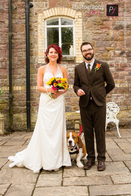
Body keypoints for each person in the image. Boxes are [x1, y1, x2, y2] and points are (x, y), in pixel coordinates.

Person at [8, 45, 71, 173]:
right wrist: (50, 90)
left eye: (56, 53)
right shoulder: (42, 69)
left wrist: (59, 92)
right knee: (46, 128)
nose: (53, 54)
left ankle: (59, 159)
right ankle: (44, 160)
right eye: (51, 52)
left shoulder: (63, 69)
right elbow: (39, 87)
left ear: (59, 55)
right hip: (46, 101)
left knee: (58, 128)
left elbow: (66, 86)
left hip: (58, 101)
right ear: (47, 55)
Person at [73, 42, 115, 171]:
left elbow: (111, 84)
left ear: (93, 50)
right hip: (85, 104)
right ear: (82, 53)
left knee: (100, 132)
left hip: (99, 105)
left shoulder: (102, 65)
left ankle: (101, 159)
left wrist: (101, 94)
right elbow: (75, 85)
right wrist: (77, 90)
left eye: (89, 49)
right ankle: (90, 158)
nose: (87, 52)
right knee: (88, 132)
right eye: (84, 50)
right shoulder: (78, 68)